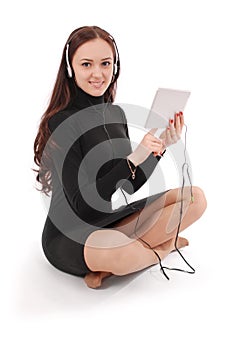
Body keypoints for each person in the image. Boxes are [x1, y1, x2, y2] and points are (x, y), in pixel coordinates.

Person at [33, 25, 207, 289]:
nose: (97, 73)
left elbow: (129, 185)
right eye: (86, 64)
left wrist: (158, 149)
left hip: (109, 221)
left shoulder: (116, 115)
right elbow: (82, 205)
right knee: (120, 252)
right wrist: (132, 158)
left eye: (105, 63)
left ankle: (114, 264)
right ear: (71, 68)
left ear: (114, 66)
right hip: (68, 235)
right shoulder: (61, 122)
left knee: (195, 198)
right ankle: (161, 248)